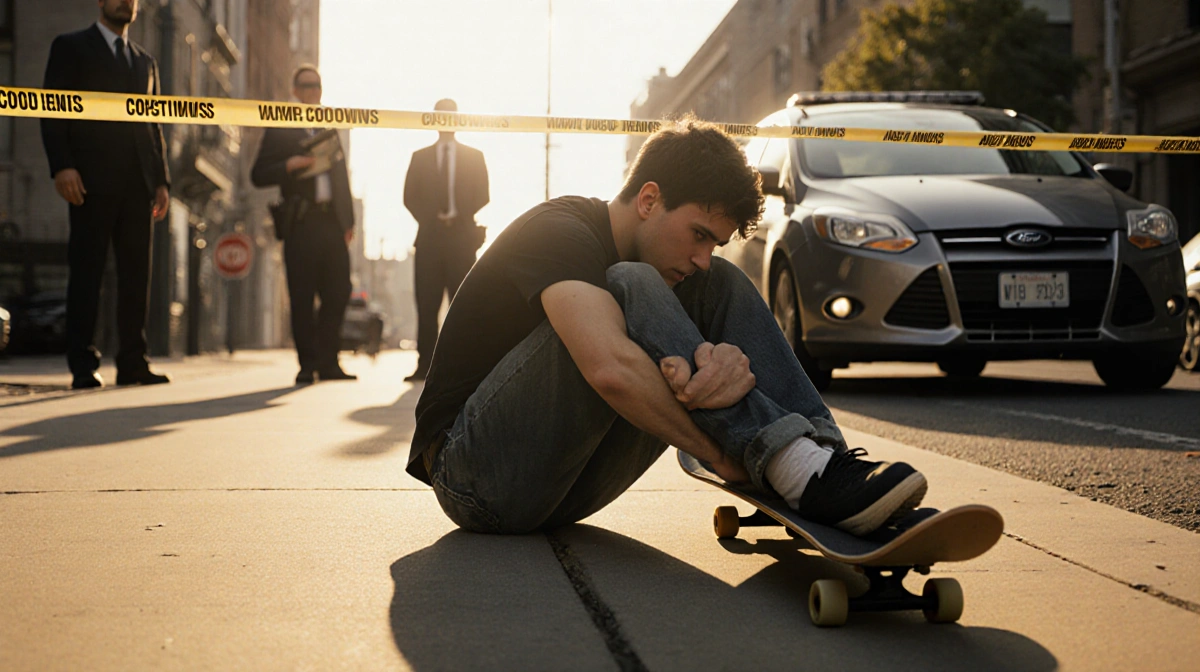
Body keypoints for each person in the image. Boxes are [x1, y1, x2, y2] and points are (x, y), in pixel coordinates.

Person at [408, 119, 928, 537]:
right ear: (649, 199)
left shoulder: (694, 269)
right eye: (697, 234)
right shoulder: (558, 230)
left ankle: (821, 463)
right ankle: (791, 466)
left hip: (564, 488)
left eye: (714, 241)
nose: (701, 257)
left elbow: (647, 345)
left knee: (720, 282)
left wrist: (722, 365)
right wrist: (726, 455)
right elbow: (609, 369)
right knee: (629, 280)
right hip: (475, 477)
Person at [40, 0, 171, 389]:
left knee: (136, 276)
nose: (125, 2)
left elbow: (154, 124)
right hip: (89, 182)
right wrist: (62, 165)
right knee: (87, 273)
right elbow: (53, 108)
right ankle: (83, 364)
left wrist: (161, 181)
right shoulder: (71, 47)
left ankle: (133, 362)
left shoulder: (145, 61)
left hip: (138, 187)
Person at [251, 65, 356, 385]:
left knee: (339, 291)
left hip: (331, 223)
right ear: (295, 90)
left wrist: (349, 221)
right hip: (301, 222)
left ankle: (329, 361)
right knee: (301, 295)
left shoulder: (329, 125)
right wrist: (289, 165)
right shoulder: (282, 125)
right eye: (307, 86)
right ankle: (307, 364)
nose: (313, 92)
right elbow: (258, 174)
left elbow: (341, 178)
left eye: (318, 86)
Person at [402, 98, 490, 382]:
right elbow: (409, 196)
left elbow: (483, 194)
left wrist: (460, 216)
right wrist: (431, 218)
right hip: (429, 238)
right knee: (426, 304)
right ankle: (424, 364)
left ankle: (462, 365)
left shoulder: (474, 156)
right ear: (434, 119)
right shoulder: (420, 156)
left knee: (463, 304)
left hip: (462, 239)